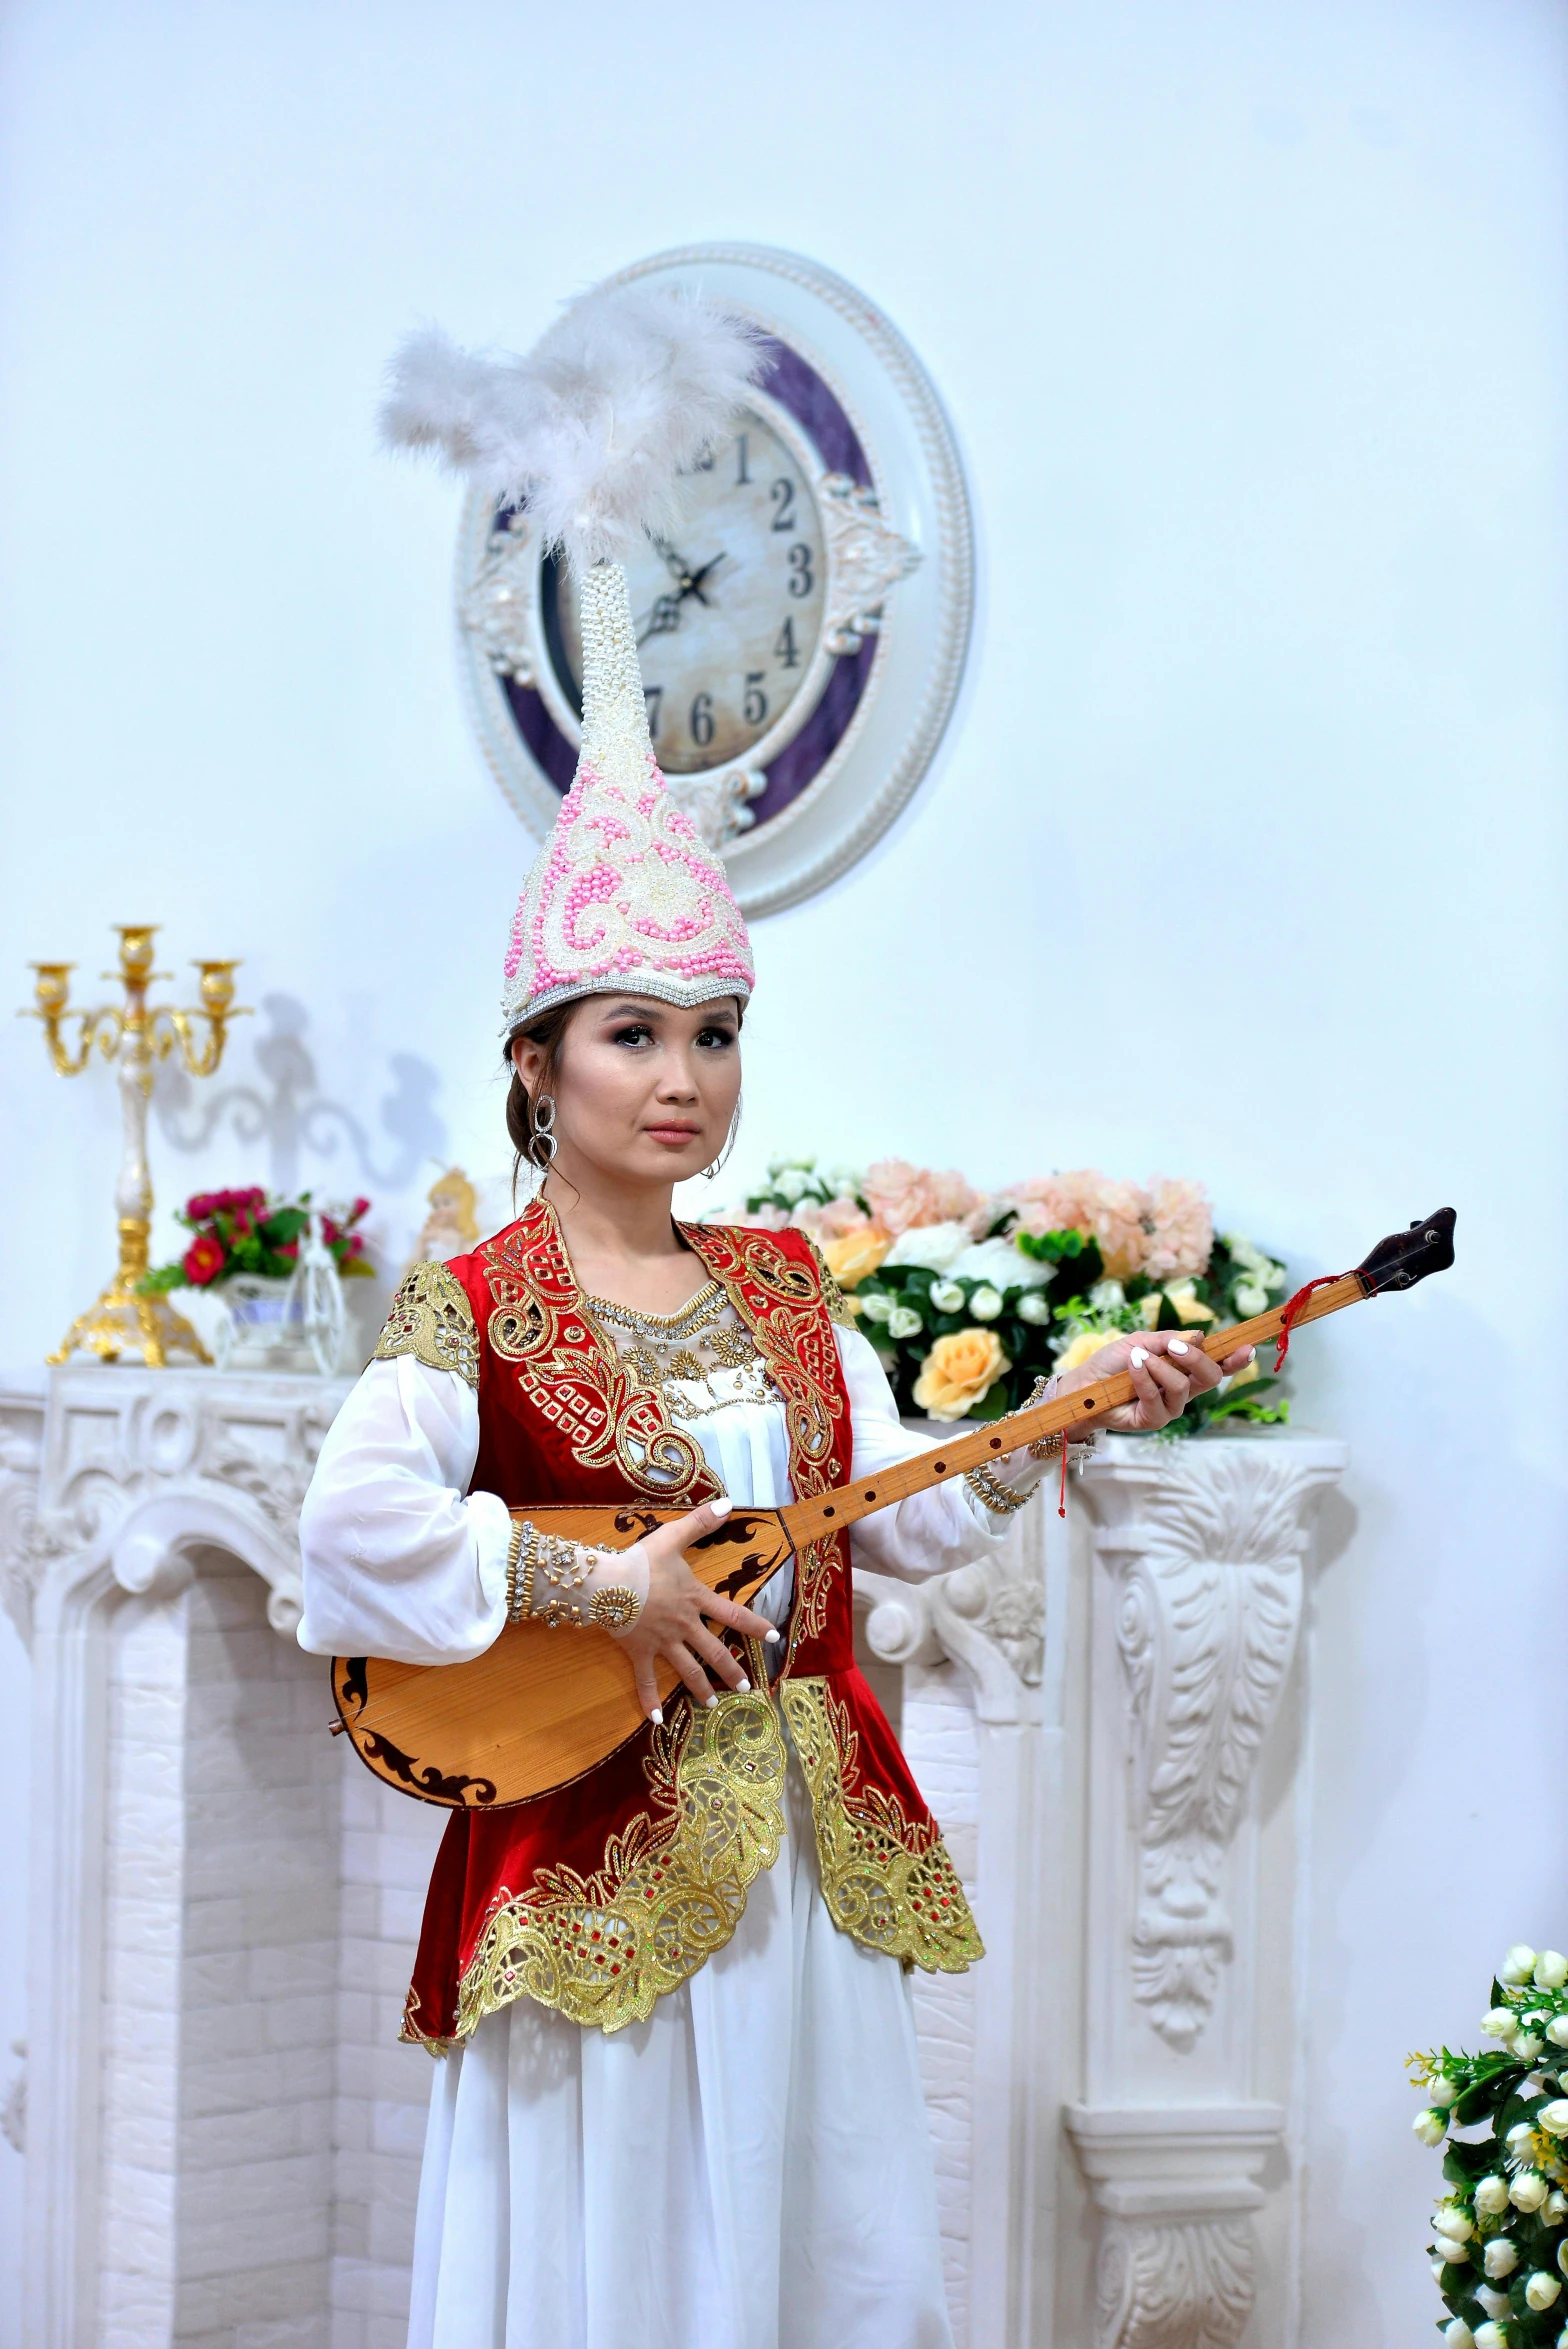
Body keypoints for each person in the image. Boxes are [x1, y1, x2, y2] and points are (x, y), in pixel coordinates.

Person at [296, 559, 1249, 2349]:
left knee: (818, 2233)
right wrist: (602, 1581)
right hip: (592, 1844)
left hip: (802, 1863)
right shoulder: (474, 1302)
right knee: (618, 2250)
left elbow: (900, 1514)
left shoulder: (788, 1278)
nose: (684, 1078)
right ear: (537, 1064)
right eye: (634, 1034)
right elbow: (344, 1541)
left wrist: (1066, 1410)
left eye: (715, 1037)